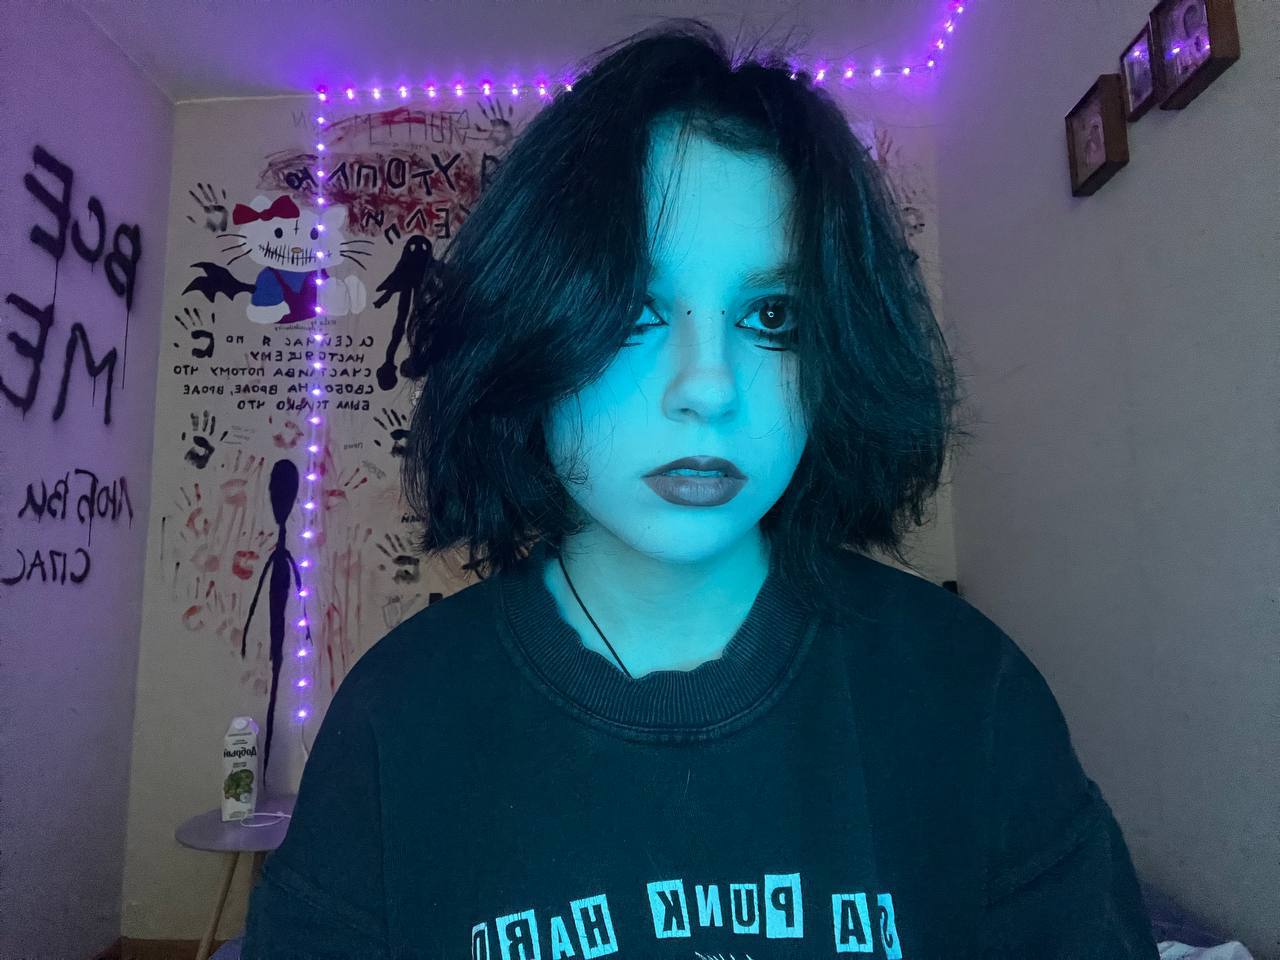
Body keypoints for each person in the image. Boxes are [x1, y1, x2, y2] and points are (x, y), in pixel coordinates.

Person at [242, 18, 1158, 960]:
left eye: (773, 315)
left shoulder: (970, 694)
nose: (710, 387)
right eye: (633, 310)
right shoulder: (399, 719)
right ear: (530, 331)